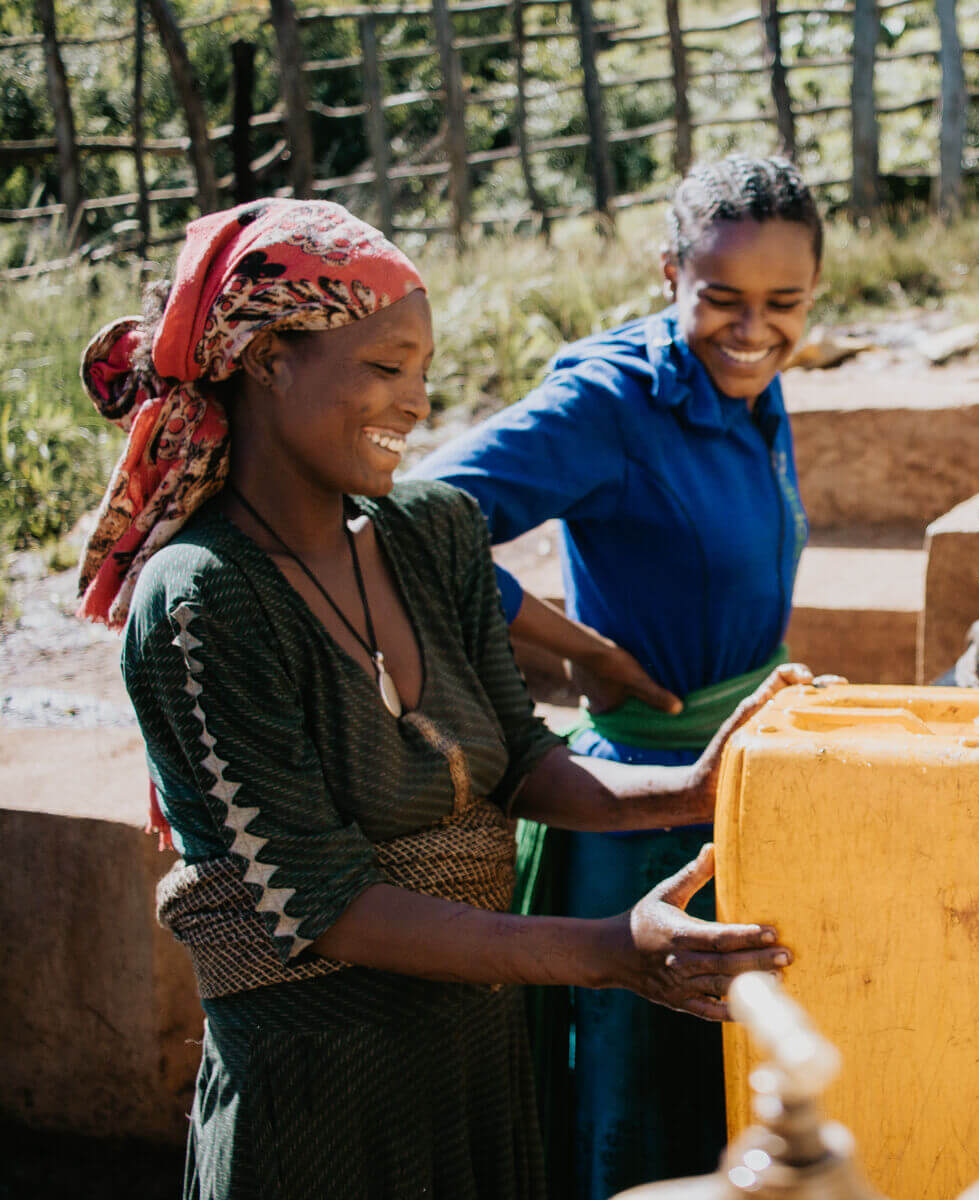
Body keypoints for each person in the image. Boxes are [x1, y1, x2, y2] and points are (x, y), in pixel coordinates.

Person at [83, 198, 802, 1200]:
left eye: (423, 370)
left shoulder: (432, 534)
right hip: (322, 1103)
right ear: (266, 359)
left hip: (476, 1068)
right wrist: (610, 953)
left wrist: (693, 788)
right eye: (384, 368)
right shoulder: (205, 598)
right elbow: (325, 905)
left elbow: (518, 758)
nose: (414, 402)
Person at [417, 154, 822, 1196]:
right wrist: (576, 645)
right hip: (639, 816)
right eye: (721, 298)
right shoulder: (611, 403)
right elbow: (410, 523)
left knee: (727, 1091)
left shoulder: (750, 388)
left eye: (786, 303)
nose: (754, 329)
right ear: (668, 273)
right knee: (634, 1107)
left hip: (739, 791)